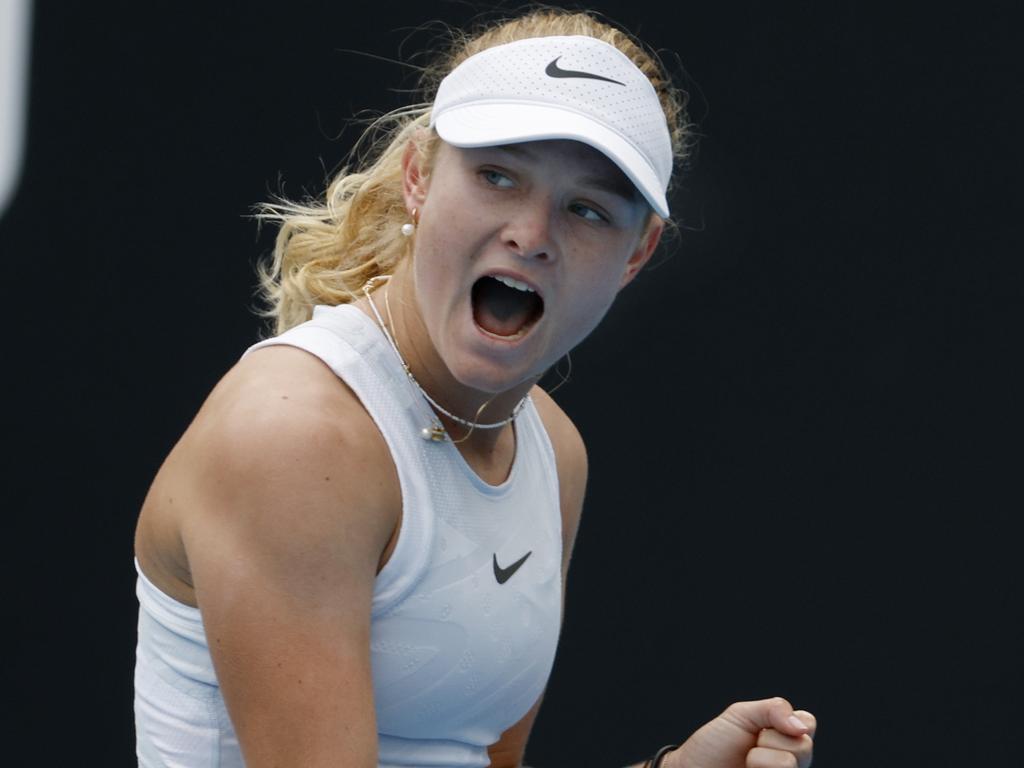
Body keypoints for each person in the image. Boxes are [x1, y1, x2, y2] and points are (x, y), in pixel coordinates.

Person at [133, 8, 817, 768]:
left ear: (637, 255)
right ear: (418, 176)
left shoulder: (552, 453)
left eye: (586, 209)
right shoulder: (295, 435)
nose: (532, 233)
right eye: (498, 176)